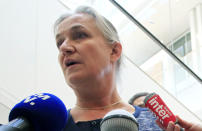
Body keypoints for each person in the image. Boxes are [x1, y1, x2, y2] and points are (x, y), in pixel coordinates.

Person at [53, 5, 202, 131]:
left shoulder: (158, 124)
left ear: (114, 51)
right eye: (60, 42)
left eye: (79, 35)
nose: (64, 47)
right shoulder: (51, 126)